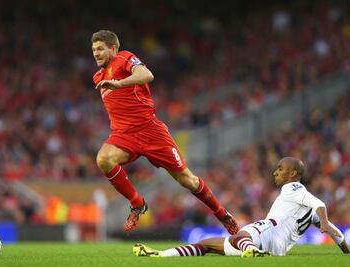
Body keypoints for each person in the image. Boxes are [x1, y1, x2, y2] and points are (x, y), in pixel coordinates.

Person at [91, 30, 239, 234]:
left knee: (188, 180)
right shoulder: (98, 77)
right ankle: (137, 203)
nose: (96, 53)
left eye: (100, 49)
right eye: (93, 50)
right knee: (104, 159)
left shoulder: (123, 57)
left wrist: (121, 83)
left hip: (151, 131)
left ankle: (222, 214)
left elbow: (147, 75)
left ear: (113, 49)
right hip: (123, 135)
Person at [133, 157, 350, 257]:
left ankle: (251, 250)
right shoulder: (306, 209)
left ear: (293, 174)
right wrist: (347, 252)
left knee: (240, 234)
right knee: (208, 244)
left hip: (267, 233)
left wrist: (323, 221)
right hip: (277, 248)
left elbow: (319, 203)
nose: (276, 172)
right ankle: (160, 255)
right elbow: (337, 234)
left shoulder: (294, 188)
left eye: (281, 169)